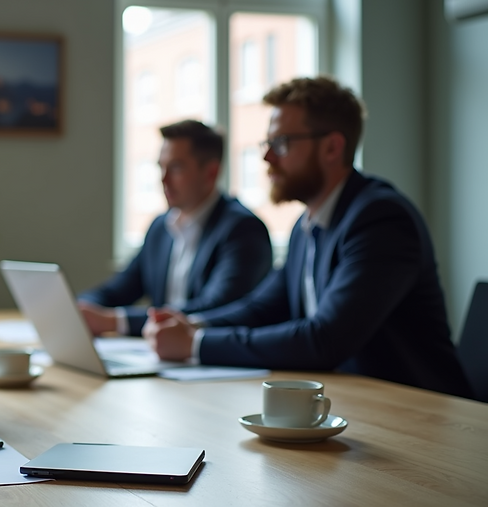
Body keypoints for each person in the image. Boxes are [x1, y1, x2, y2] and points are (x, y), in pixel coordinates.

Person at [144, 76, 473, 398]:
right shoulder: (307, 224)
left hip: (420, 416)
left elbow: (326, 339)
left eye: (281, 143)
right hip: (353, 407)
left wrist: (195, 344)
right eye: (268, 144)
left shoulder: (381, 219)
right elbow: (262, 309)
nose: (267, 158)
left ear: (332, 147)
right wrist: (192, 324)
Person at [78, 120, 272, 337]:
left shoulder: (243, 229)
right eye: (161, 166)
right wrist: (82, 309)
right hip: (163, 355)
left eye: (176, 167)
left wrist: (116, 321)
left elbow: (216, 306)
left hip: (214, 361)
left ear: (210, 173)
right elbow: (119, 289)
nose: (163, 179)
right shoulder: (160, 227)